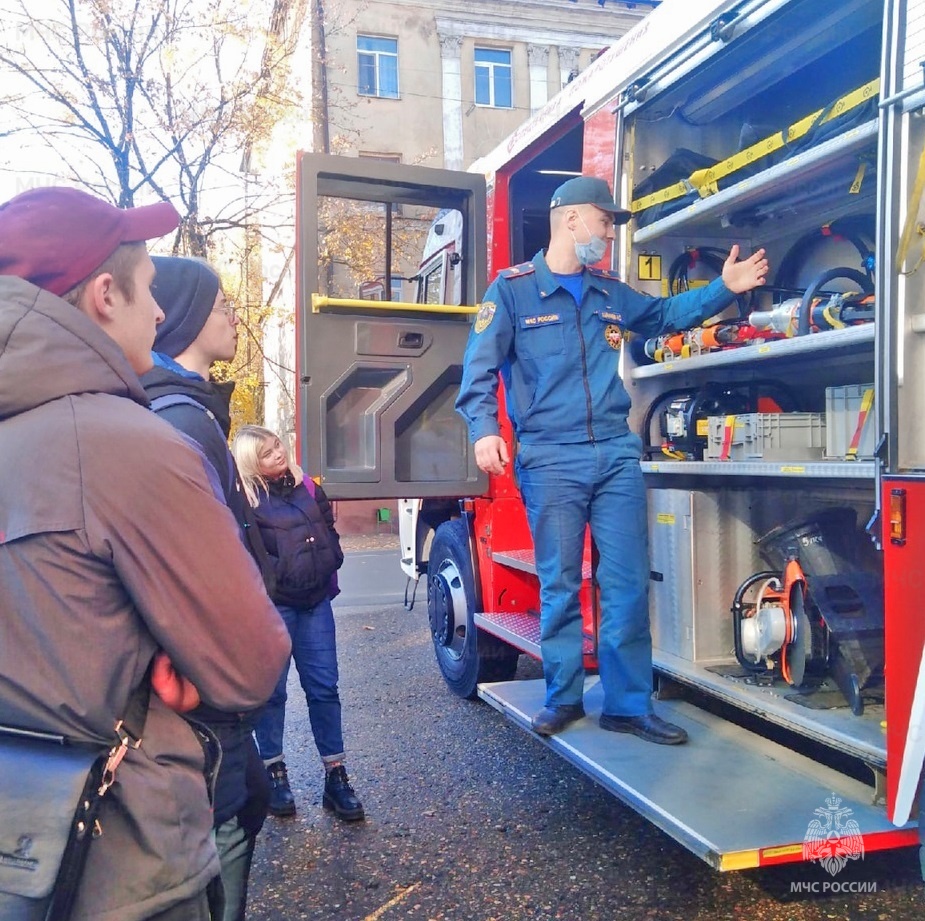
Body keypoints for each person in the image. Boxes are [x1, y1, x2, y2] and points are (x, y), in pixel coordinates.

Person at [0, 186, 291, 921]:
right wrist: (186, 665)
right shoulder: (125, 445)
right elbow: (249, 661)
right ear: (104, 294)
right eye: (150, 292)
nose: (160, 315)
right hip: (120, 858)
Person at [455, 175, 768, 742]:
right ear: (571, 219)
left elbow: (667, 315)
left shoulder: (608, 292)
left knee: (625, 582)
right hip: (551, 458)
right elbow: (476, 372)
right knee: (559, 584)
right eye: (604, 221)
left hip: (616, 455)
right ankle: (563, 697)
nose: (608, 233)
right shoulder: (512, 290)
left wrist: (724, 288)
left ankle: (628, 704)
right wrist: (483, 430)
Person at [140, 256, 274, 921]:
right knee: (226, 811)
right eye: (222, 305)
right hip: (202, 674)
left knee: (246, 795)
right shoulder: (183, 420)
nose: (233, 316)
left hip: (203, 671)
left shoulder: (187, 408)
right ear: (189, 317)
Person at [232, 424, 365, 822]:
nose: (277, 453)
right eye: (267, 451)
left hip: (315, 603)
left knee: (324, 688)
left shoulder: (306, 485)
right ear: (250, 462)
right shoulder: (243, 498)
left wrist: (331, 560)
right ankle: (275, 773)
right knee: (272, 694)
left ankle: (336, 776)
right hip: (273, 609)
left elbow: (327, 524)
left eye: (277, 446)